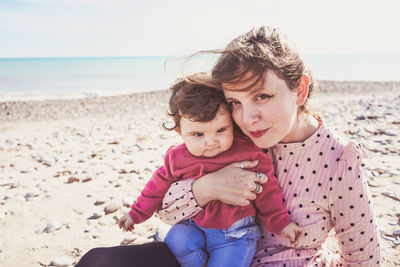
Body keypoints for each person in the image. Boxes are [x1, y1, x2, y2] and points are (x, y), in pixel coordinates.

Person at [75, 26, 381, 267]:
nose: (248, 118)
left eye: (262, 96)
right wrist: (206, 189)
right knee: (98, 261)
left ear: (299, 90)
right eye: (235, 102)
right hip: (201, 254)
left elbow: (365, 261)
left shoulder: (339, 161)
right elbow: (166, 212)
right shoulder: (226, 137)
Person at [117, 76, 303, 267]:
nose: (211, 141)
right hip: (195, 227)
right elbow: (156, 187)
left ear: (232, 123)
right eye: (198, 134)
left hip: (235, 236)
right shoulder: (178, 157)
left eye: (221, 130)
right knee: (176, 238)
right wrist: (135, 214)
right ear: (180, 132)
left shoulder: (248, 153)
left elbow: (268, 191)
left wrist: (281, 223)